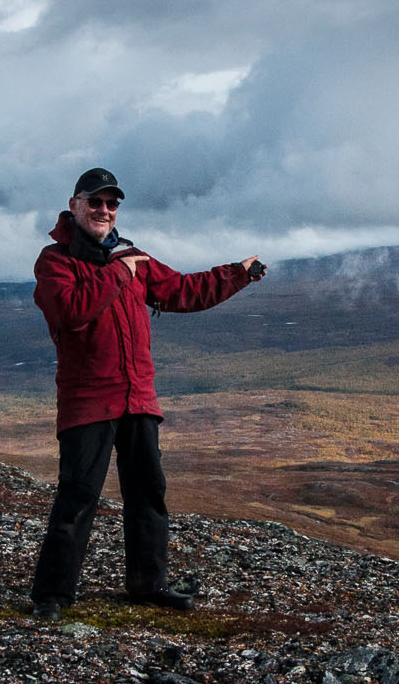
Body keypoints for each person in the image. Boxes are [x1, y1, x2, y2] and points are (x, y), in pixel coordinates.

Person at [28, 167, 265, 622]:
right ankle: (53, 595)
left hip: (137, 396)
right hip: (88, 399)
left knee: (148, 492)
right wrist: (118, 273)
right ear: (74, 206)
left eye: (111, 204)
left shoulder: (132, 257)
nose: (103, 210)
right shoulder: (55, 261)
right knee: (78, 495)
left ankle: (148, 584)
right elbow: (72, 312)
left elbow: (182, 291)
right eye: (94, 201)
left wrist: (237, 274)